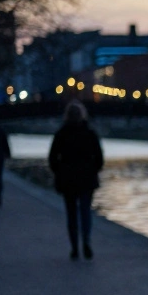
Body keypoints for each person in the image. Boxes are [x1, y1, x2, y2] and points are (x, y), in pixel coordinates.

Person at [48, 102, 104, 259]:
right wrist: (93, 170)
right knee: (85, 211)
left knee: (71, 213)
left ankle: (74, 248)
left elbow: (52, 158)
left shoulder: (61, 134)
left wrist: (59, 172)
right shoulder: (90, 133)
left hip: (67, 179)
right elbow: (99, 158)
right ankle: (86, 240)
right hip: (87, 178)